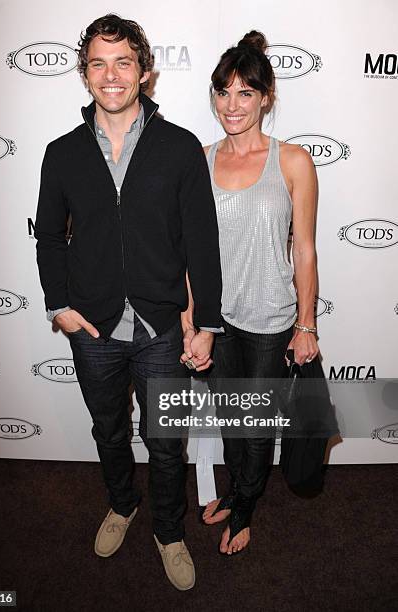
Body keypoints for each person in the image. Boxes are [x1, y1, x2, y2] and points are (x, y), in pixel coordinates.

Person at [34, 14, 222, 591]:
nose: (110, 75)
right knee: (110, 431)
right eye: (98, 63)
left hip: (162, 326)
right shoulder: (61, 153)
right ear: (84, 73)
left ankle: (169, 530)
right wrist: (57, 304)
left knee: (167, 441)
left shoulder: (180, 147)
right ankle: (122, 503)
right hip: (92, 328)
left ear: (145, 71)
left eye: (123, 62)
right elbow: (47, 235)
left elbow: (201, 243)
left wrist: (206, 323)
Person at [181, 30, 319, 555]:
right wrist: (191, 321)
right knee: (231, 420)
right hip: (217, 321)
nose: (231, 106)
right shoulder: (199, 157)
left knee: (256, 426)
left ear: (266, 97)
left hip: (268, 319)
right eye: (222, 92)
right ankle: (241, 489)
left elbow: (303, 250)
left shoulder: (293, 161)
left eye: (244, 93)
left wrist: (306, 325)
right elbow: (190, 254)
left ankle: (243, 508)